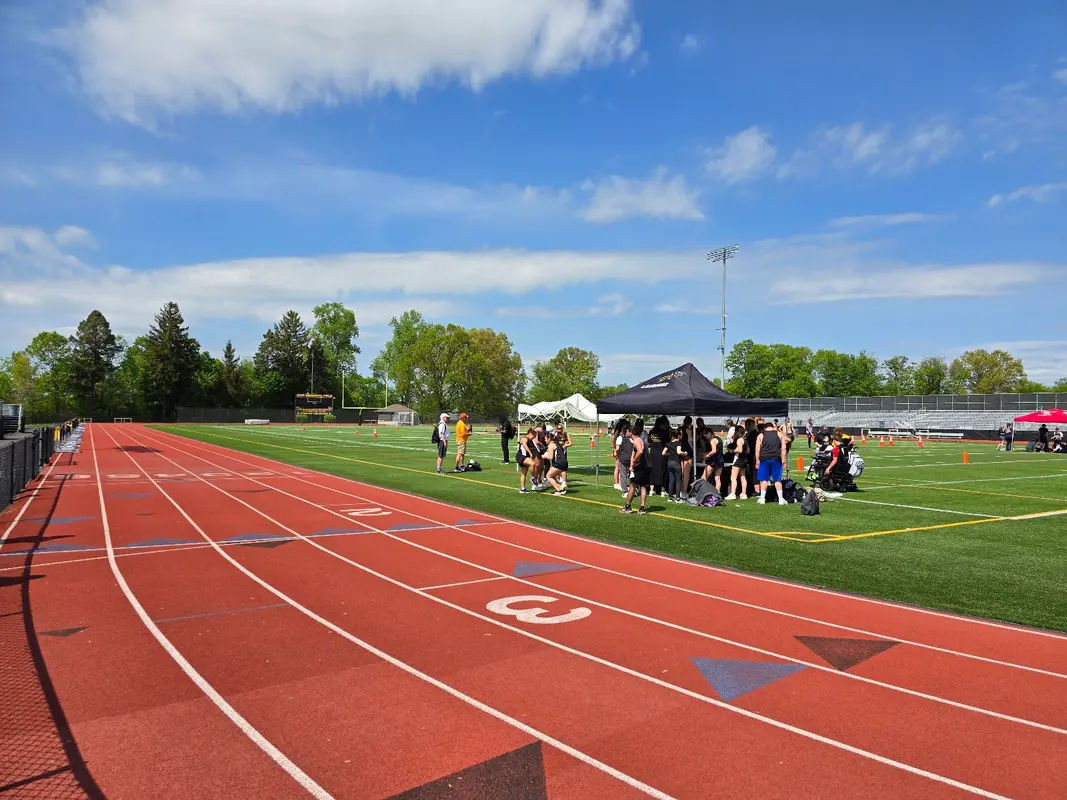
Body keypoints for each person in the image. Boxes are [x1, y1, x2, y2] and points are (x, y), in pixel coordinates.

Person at [755, 421, 788, 506]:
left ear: (765, 428)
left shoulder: (761, 435)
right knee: (777, 479)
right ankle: (780, 499)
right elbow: (784, 448)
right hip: (776, 458)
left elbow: (757, 449)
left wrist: (757, 460)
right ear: (773, 427)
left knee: (764, 479)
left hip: (764, 458)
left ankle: (762, 498)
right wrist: (784, 460)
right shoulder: (779, 434)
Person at [621, 418, 649, 514]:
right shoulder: (641, 440)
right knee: (643, 486)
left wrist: (633, 462)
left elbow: (640, 451)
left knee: (632, 486)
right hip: (645, 466)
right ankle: (642, 508)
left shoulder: (636, 440)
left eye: (627, 431)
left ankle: (628, 506)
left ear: (631, 432)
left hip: (639, 467)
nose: (626, 433)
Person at [647, 416, 670, 496]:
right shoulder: (665, 432)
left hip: (653, 452)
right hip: (662, 452)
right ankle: (662, 491)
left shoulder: (652, 431)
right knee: (662, 471)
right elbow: (667, 442)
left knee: (652, 471)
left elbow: (649, 440)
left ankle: (651, 490)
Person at [725, 428, 749, 501]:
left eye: (735, 432)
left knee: (733, 477)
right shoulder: (745, 440)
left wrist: (733, 450)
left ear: (738, 432)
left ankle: (733, 494)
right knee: (743, 477)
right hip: (744, 459)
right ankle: (744, 494)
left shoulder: (739, 440)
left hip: (738, 459)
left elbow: (740, 450)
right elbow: (748, 451)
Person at [516, 428, 541, 493]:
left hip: (525, 457)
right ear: (530, 434)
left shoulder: (530, 440)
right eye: (533, 436)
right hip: (521, 456)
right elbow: (524, 445)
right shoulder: (524, 438)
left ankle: (522, 489)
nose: (533, 438)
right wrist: (530, 453)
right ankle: (533, 478)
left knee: (524, 473)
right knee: (532, 464)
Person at [545, 429, 569, 495]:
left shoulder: (551, 445)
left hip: (559, 463)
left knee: (548, 476)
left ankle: (558, 490)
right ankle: (561, 489)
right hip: (564, 462)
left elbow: (550, 457)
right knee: (553, 476)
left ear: (549, 438)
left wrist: (543, 456)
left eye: (545, 439)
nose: (545, 440)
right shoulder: (557, 443)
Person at [663, 428, 685, 502]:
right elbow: (679, 452)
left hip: (669, 463)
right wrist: (685, 453)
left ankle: (670, 497)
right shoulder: (678, 443)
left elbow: (663, 453)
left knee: (671, 480)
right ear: (678, 435)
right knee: (678, 480)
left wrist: (669, 454)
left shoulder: (668, 444)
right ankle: (678, 498)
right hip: (676, 463)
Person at [615, 419, 633, 495]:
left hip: (623, 458)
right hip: (631, 458)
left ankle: (625, 491)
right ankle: (634, 490)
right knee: (632, 475)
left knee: (623, 475)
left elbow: (617, 449)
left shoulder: (620, 438)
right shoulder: (632, 439)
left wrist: (617, 454)